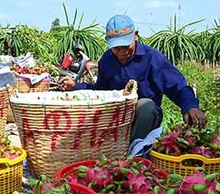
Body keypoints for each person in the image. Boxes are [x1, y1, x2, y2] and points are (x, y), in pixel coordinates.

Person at [60, 14, 207, 144]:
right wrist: (76, 86)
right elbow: (101, 91)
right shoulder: (107, 60)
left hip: (144, 119)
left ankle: (133, 152)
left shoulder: (152, 58)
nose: (122, 52)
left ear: (135, 35)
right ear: (107, 41)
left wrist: (190, 106)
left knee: (145, 105)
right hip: (116, 119)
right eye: (117, 48)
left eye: (126, 45)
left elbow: (178, 87)